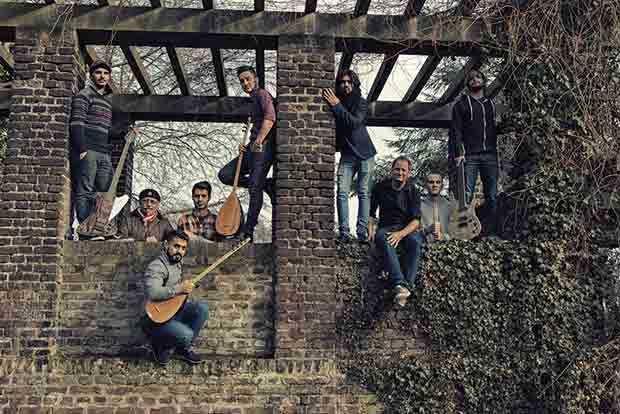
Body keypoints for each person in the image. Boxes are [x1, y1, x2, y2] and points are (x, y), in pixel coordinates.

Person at [218, 65, 276, 241]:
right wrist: (249, 144)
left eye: (248, 79)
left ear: (255, 79)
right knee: (226, 174)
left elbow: (270, 117)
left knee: (254, 188)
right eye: (242, 81)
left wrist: (259, 140)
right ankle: (266, 184)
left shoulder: (262, 94)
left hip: (263, 147)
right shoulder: (252, 100)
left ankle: (248, 232)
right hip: (252, 147)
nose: (245, 83)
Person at [70, 60, 129, 224]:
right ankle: (85, 228)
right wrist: (82, 149)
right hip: (88, 150)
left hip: (104, 153)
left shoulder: (106, 102)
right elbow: (76, 123)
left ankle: (97, 225)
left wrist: (126, 131)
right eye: (98, 73)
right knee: (85, 190)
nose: (102, 76)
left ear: (109, 77)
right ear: (91, 75)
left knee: (105, 191)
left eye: (105, 73)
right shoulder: (84, 95)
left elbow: (107, 131)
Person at [322, 70, 377, 244]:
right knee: (342, 192)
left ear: (354, 84)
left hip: (365, 154)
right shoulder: (336, 102)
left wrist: (337, 105)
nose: (345, 84)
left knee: (364, 193)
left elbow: (354, 122)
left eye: (349, 82)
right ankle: (344, 232)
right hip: (347, 154)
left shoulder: (360, 102)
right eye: (342, 82)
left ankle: (362, 233)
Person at [141, 229, 208, 365]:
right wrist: (180, 289)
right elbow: (153, 292)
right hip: (155, 319)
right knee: (187, 335)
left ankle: (183, 349)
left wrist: (186, 288)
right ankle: (158, 346)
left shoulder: (177, 263)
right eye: (176, 246)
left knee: (202, 309)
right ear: (166, 245)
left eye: (183, 248)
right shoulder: (156, 267)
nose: (180, 251)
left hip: (171, 312)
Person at [369, 156, 424, 307]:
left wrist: (400, 234)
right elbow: (371, 214)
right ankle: (400, 284)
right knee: (383, 238)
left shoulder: (413, 191)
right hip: (386, 226)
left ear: (409, 173)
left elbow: (416, 221)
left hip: (407, 228)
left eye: (403, 170)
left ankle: (406, 287)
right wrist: (371, 229)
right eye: (397, 169)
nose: (400, 173)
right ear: (391, 170)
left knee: (415, 242)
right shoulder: (380, 187)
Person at [450, 68, 499, 236]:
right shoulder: (461, 105)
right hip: (470, 155)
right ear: (467, 84)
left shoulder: (490, 104)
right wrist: (459, 153)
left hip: (490, 154)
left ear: (483, 81)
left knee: (491, 195)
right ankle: (463, 231)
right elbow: (456, 131)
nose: (475, 80)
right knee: (466, 195)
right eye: (471, 78)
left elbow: (495, 127)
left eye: (478, 77)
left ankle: (489, 232)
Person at [420, 173, 451, 243]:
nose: (435, 185)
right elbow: (414, 233)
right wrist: (428, 229)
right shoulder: (419, 205)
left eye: (438, 182)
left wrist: (443, 237)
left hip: (448, 246)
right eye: (431, 182)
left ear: (442, 186)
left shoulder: (449, 206)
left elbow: (456, 232)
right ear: (426, 185)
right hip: (425, 246)